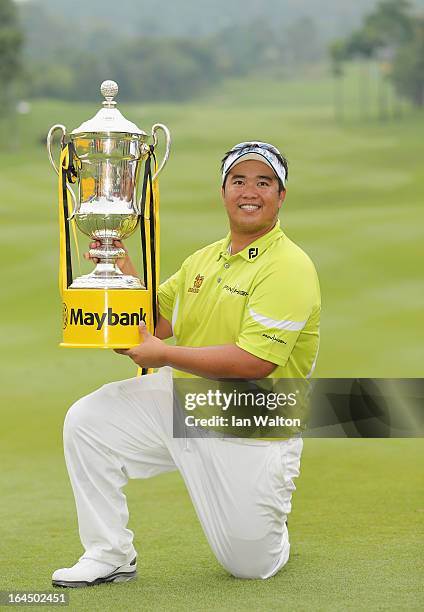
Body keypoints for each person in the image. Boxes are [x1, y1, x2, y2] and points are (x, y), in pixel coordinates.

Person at [52, 141, 321, 588]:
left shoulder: (290, 266)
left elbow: (254, 363)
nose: (249, 191)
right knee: (86, 422)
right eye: (238, 181)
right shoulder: (204, 260)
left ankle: (271, 518)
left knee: (250, 566)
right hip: (188, 405)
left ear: (281, 196)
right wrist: (117, 279)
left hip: (253, 420)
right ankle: (109, 553)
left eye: (263, 182)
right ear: (224, 191)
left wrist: (162, 356)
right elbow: (150, 325)